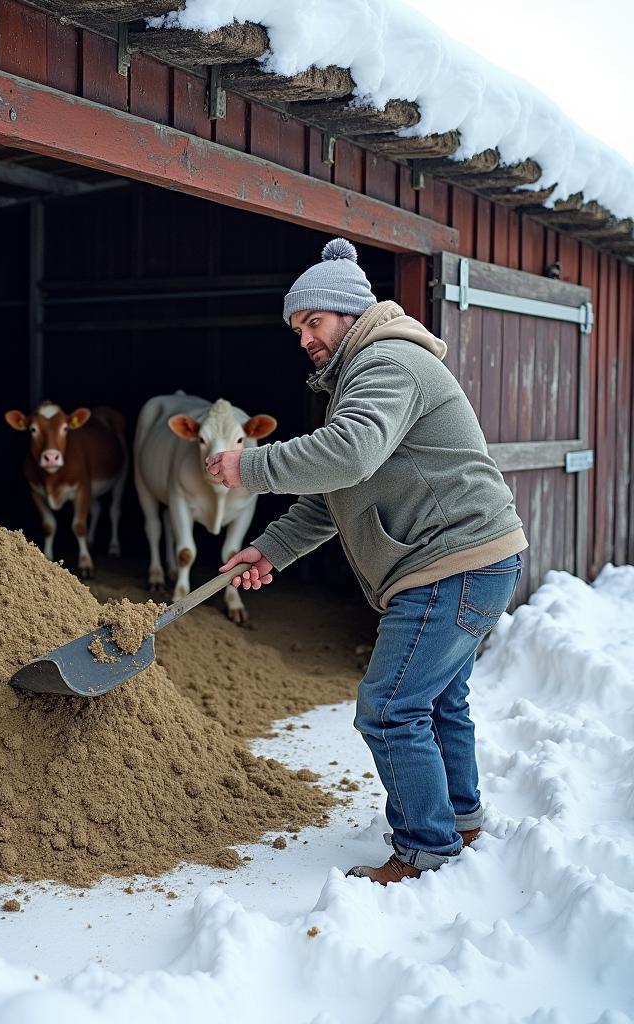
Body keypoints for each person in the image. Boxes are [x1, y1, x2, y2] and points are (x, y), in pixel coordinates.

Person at [206, 238, 526, 885]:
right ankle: (457, 821)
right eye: (297, 329)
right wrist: (271, 547)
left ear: (348, 313)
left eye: (312, 323)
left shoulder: (386, 363)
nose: (303, 339)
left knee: (388, 706)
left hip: (453, 562)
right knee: (438, 701)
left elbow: (346, 455)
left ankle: (424, 849)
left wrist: (250, 467)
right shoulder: (362, 376)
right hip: (470, 560)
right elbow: (337, 494)